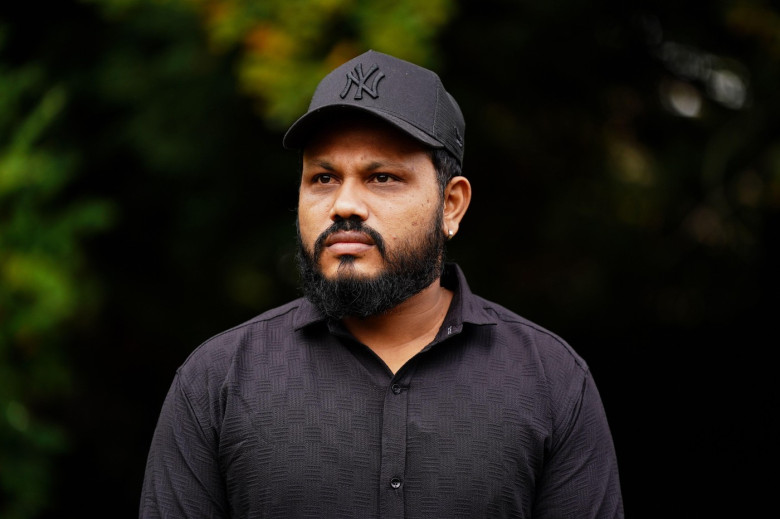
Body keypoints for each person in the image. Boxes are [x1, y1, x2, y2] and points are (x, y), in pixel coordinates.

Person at [140, 50, 624, 518]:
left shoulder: (552, 381)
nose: (344, 204)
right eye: (324, 177)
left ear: (451, 205)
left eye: (383, 177)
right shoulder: (216, 381)